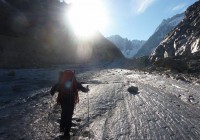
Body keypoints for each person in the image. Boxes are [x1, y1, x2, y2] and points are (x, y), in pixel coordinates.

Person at [50, 70, 89, 139]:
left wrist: (52, 92)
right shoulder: (74, 81)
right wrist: (87, 90)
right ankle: (66, 133)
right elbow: (82, 88)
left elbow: (52, 90)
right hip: (70, 100)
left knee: (64, 113)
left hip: (63, 99)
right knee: (69, 115)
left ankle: (62, 127)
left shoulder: (61, 81)